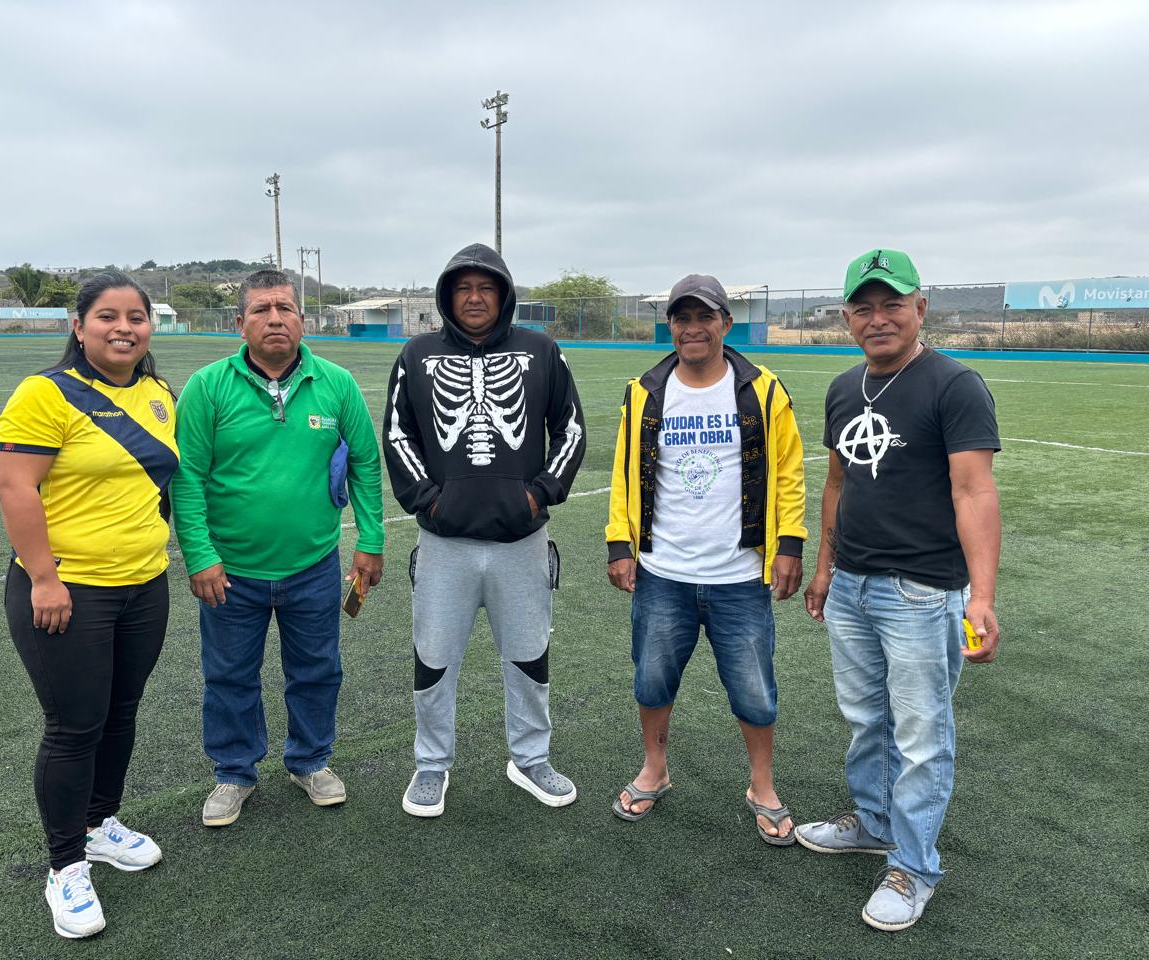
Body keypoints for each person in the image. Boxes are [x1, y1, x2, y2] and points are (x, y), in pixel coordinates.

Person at [799, 249, 1002, 932]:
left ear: (921, 307)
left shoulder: (954, 385)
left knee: (921, 736)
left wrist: (981, 597)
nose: (878, 318)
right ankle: (874, 821)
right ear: (847, 317)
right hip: (852, 586)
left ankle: (914, 868)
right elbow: (837, 484)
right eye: (864, 307)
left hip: (922, 591)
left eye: (892, 304)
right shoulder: (843, 388)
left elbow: (974, 492)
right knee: (865, 718)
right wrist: (825, 568)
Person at [0, 272, 178, 939]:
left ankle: (100, 825)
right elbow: (15, 487)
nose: (124, 328)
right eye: (107, 316)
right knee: (74, 727)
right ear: (78, 326)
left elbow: (159, 487)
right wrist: (44, 579)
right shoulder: (46, 393)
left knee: (121, 711)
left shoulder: (158, 394)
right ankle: (65, 865)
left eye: (136, 316)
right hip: (67, 591)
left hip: (144, 584)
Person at [171, 269, 384, 828]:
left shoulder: (337, 384)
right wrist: (200, 555)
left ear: (302, 321)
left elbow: (365, 463)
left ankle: (310, 761)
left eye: (285, 308)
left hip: (313, 566)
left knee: (317, 670)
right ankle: (234, 772)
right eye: (261, 309)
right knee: (229, 678)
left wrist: (371, 540)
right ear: (239, 322)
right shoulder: (207, 386)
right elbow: (187, 478)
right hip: (230, 571)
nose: (274, 319)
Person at [383, 242, 586, 817]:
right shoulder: (417, 354)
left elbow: (570, 430)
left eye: (486, 287)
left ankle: (530, 758)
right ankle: (431, 764)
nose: (475, 298)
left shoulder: (541, 351)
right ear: (448, 297)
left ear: (504, 294)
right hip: (443, 545)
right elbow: (397, 434)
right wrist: (429, 503)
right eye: (464, 288)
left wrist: (538, 493)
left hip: (521, 544)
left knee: (529, 656)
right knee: (433, 659)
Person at [605, 274, 807, 839]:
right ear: (670, 325)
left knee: (755, 691)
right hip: (662, 572)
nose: (692, 328)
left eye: (704, 317)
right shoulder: (645, 392)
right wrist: (620, 543)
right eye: (682, 318)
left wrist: (789, 544)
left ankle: (762, 785)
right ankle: (654, 769)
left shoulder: (763, 390)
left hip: (740, 575)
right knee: (651, 681)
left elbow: (788, 474)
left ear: (725, 323)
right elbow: (625, 473)